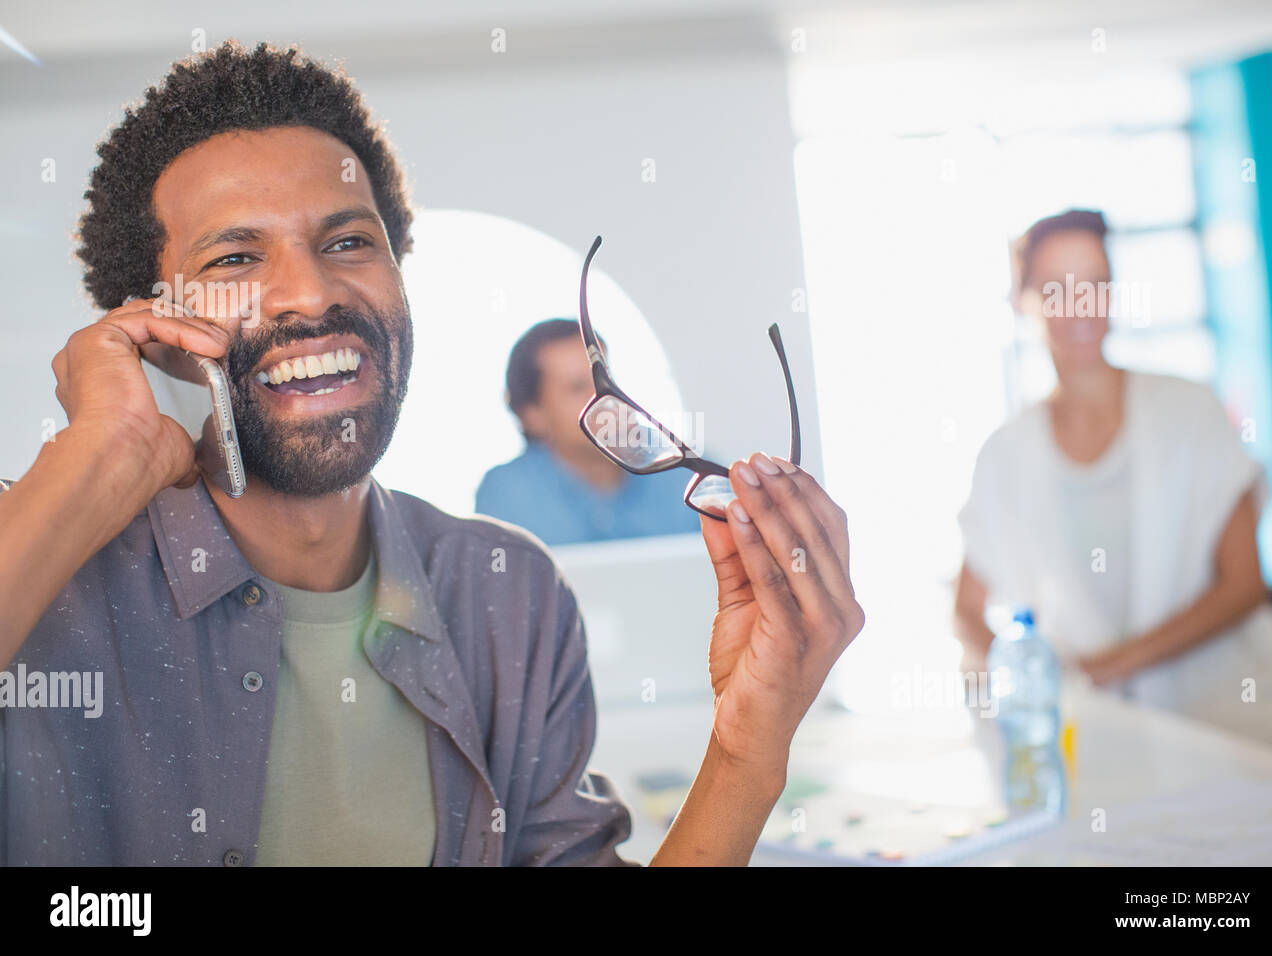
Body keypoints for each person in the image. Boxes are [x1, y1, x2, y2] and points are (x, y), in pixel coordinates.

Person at [0, 41, 864, 865]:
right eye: (235, 257)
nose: (311, 291)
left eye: (348, 242)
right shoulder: (39, 562)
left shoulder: (509, 596)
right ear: (148, 328)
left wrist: (749, 748)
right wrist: (95, 454)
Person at [955, 208, 1272, 752]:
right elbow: (967, 611)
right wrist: (1033, 678)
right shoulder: (1004, 455)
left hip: (1234, 730)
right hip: (1098, 743)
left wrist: (1111, 668)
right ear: (1024, 301)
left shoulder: (1190, 410)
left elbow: (1244, 582)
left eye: (1094, 285)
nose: (1080, 307)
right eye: (1056, 289)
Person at [475, 319, 701, 544]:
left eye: (607, 377)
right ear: (532, 416)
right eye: (577, 387)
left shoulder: (687, 472)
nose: (608, 398)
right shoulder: (506, 495)